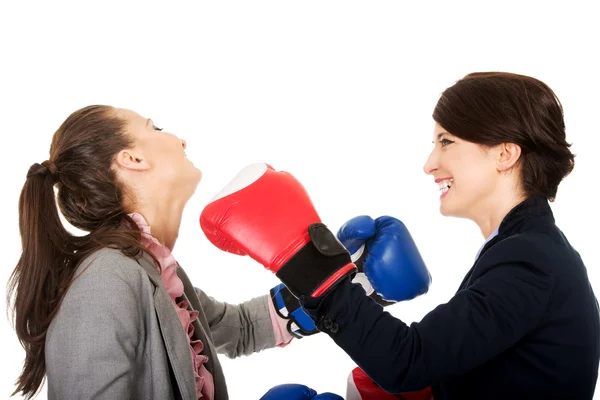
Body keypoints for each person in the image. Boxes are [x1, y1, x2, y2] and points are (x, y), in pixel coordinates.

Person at [200, 72, 600, 399]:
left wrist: (314, 268)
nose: (430, 163)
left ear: (504, 155)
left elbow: (408, 362)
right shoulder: (528, 247)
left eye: (447, 141)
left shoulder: (530, 260)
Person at [7, 104, 428, 400]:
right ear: (132, 158)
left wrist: (347, 281)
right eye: (155, 127)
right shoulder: (105, 279)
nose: (178, 137)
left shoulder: (149, 267)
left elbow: (235, 327)